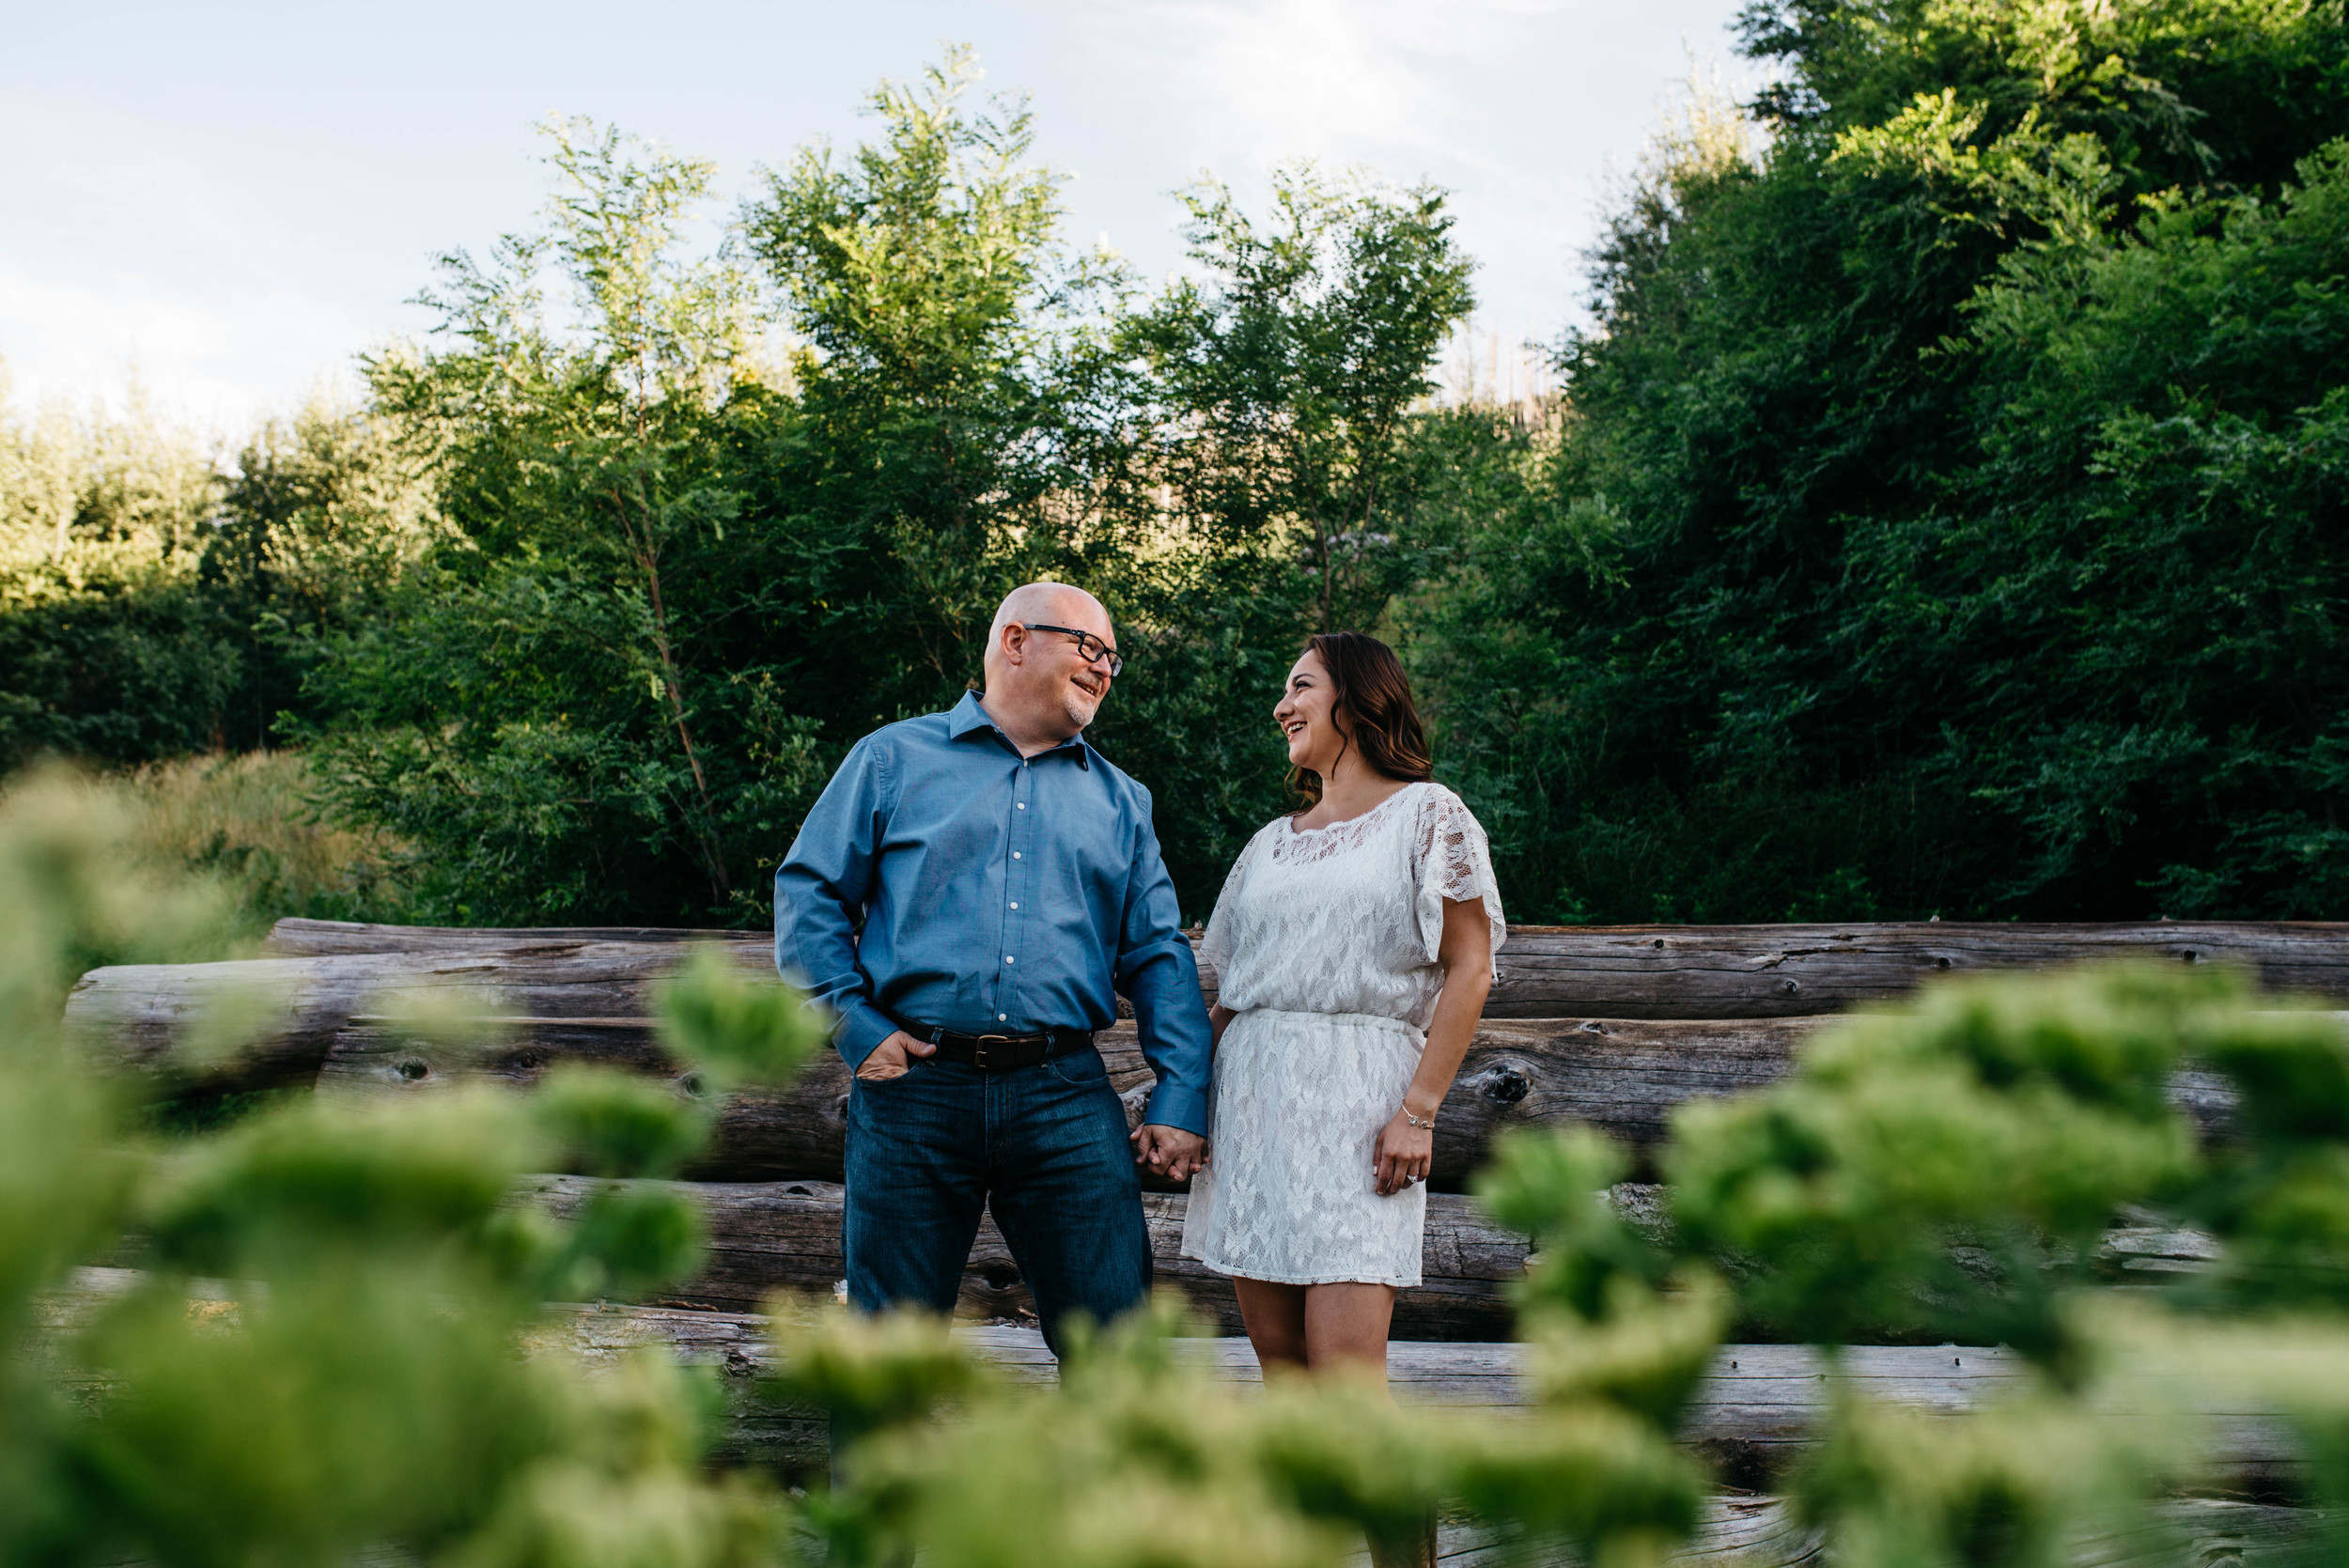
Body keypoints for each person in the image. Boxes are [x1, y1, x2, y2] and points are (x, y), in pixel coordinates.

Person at [774, 582, 1212, 1355]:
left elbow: (1157, 951)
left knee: (1116, 1348)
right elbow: (809, 891)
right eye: (1090, 646)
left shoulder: (1123, 801)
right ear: (1015, 641)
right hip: (913, 1088)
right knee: (887, 1355)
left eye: (1114, 656)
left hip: (1066, 1097)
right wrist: (852, 1020)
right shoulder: (891, 758)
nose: (1106, 667)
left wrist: (1179, 1092)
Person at [1180, 631, 1504, 1389]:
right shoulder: (1268, 845)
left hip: (1361, 1111)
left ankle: (1391, 1512)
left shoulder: (1431, 814)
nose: (1281, 706)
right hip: (1255, 1113)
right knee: (1285, 1371)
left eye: (1300, 688)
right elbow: (1233, 994)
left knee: (1347, 1372)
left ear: (1358, 699)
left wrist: (1418, 1111)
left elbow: (1472, 968)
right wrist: (1185, 1101)